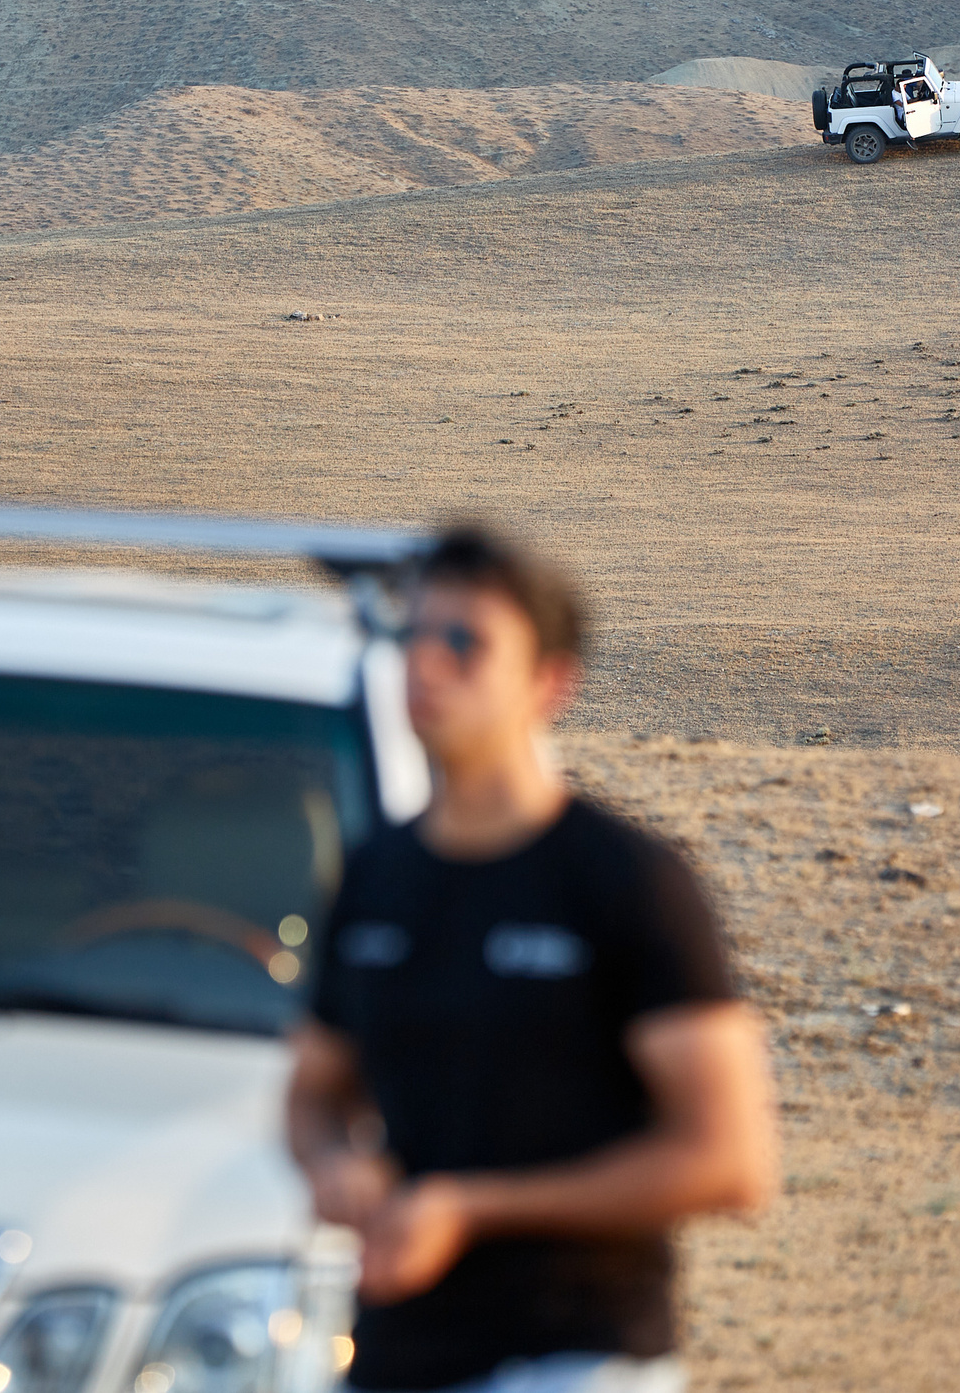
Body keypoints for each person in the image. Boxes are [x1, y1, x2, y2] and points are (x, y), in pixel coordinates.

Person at [286, 525, 778, 1393]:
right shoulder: (375, 874)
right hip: (394, 1356)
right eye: (414, 636)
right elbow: (313, 1093)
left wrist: (472, 1208)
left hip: (572, 1355)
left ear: (550, 683)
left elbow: (730, 1159)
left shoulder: (627, 881)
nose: (426, 665)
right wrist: (335, 1167)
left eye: (465, 642)